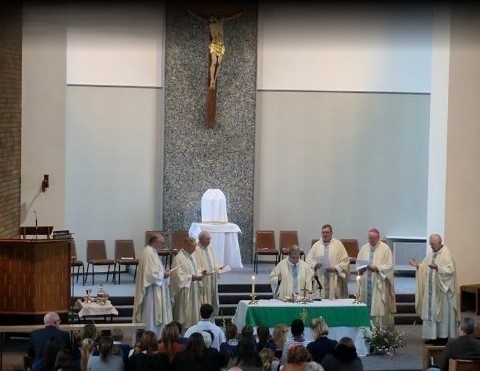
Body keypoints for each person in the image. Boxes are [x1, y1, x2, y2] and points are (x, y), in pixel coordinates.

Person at [408, 233, 459, 345]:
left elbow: (450, 271)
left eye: (433, 244)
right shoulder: (431, 254)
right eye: (431, 244)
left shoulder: (447, 254)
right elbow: (425, 267)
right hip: (431, 291)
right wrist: (418, 266)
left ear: (440, 243)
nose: (431, 246)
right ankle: (432, 336)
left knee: (442, 314)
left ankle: (442, 337)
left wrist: (438, 268)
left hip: (442, 292)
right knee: (430, 313)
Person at [187, 10, 243, 90]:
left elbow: (231, 16)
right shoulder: (210, 24)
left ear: (215, 17)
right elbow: (198, 16)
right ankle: (212, 80)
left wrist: (240, 13)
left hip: (221, 45)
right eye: (210, 19)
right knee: (214, 62)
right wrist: (190, 11)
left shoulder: (221, 21)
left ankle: (215, 79)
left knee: (219, 62)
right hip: (214, 44)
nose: (211, 20)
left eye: (212, 18)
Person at [132, 233, 173, 339]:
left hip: (156, 290)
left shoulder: (152, 252)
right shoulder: (148, 252)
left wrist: (163, 271)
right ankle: (150, 339)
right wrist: (163, 274)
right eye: (162, 243)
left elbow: (155, 270)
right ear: (155, 242)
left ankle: (157, 338)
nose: (163, 245)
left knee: (155, 317)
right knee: (151, 317)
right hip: (151, 293)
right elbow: (149, 274)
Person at [356, 228, 396, 327]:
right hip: (366, 281)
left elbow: (389, 265)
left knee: (378, 306)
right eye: (369, 238)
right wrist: (361, 269)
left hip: (379, 282)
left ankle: (379, 330)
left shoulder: (385, 248)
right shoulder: (364, 248)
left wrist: (377, 268)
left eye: (373, 238)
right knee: (365, 303)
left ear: (378, 237)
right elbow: (359, 262)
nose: (371, 240)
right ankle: (366, 327)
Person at [306, 224, 350, 299]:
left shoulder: (338, 245)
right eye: (323, 232)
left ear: (331, 233)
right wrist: (315, 265)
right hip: (320, 278)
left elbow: (345, 260)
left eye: (327, 232)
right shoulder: (316, 245)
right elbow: (308, 260)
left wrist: (336, 268)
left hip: (334, 277)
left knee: (334, 302)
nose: (325, 234)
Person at [170, 237, 205, 329]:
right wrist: (191, 277)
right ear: (186, 245)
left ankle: (193, 330)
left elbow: (196, 269)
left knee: (194, 313)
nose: (195, 249)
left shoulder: (192, 256)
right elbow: (177, 276)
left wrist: (201, 272)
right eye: (193, 247)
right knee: (185, 314)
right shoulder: (179, 258)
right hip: (184, 293)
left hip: (194, 290)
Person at [193, 231, 221, 315]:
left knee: (212, 297)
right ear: (200, 239)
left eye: (210, 239)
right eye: (207, 239)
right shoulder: (195, 249)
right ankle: (204, 316)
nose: (209, 241)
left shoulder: (210, 248)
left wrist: (218, 267)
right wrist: (202, 270)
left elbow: (213, 261)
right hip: (204, 279)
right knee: (205, 298)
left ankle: (211, 317)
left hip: (212, 277)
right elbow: (195, 265)